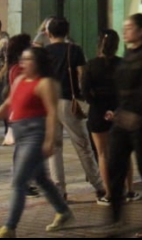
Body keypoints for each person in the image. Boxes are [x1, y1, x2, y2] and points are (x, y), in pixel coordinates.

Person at [0, 45, 75, 238]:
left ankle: (9, 227)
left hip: (35, 134)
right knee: (40, 178)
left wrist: (50, 139)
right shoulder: (20, 80)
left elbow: (51, 113)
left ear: (38, 63)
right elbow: (8, 104)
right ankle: (63, 211)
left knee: (19, 180)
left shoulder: (45, 83)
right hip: (20, 133)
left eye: (28, 59)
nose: (23, 63)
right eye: (22, 59)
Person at [107, 14, 142, 238]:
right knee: (115, 167)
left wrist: (136, 114)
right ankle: (115, 220)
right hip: (123, 117)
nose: (125, 31)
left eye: (130, 27)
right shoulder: (128, 54)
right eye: (124, 27)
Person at [43, 17, 106, 202]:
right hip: (68, 102)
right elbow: (82, 75)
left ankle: (59, 190)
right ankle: (99, 186)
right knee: (83, 145)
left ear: (49, 33)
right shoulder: (74, 50)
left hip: (49, 103)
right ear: (67, 32)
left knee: (54, 148)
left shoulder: (45, 52)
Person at [82, 29, 125, 206]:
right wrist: (114, 110)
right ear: (117, 46)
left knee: (102, 154)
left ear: (99, 45)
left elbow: (85, 92)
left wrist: (101, 108)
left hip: (98, 114)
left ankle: (109, 193)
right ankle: (124, 189)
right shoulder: (123, 64)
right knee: (122, 154)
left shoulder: (91, 65)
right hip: (119, 113)